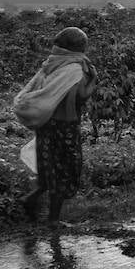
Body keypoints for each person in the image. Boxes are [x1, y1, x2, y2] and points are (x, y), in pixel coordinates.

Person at [13, 27, 97, 223]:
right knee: (65, 170)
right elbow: (80, 96)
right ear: (78, 47)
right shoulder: (75, 69)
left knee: (49, 168)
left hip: (46, 127)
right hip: (66, 127)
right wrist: (93, 80)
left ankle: (31, 201)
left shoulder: (50, 64)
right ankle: (52, 220)